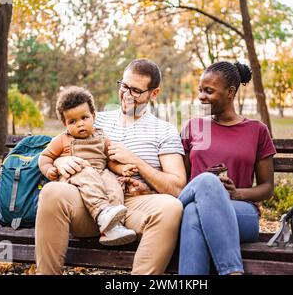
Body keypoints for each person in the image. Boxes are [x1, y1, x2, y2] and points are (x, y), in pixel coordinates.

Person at [35, 58, 187, 275]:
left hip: (135, 205)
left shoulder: (164, 131)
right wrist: (61, 160)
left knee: (171, 208)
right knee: (52, 191)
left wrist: (134, 160)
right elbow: (57, 148)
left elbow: (177, 188)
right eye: (124, 86)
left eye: (135, 90)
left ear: (154, 93)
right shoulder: (93, 119)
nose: (126, 94)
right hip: (91, 204)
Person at [178, 61, 276, 275]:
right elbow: (181, 180)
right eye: (200, 90)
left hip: (241, 212)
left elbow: (267, 188)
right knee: (199, 200)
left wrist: (236, 193)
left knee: (196, 207)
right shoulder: (193, 127)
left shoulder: (257, 130)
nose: (201, 96)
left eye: (208, 91)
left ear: (230, 92)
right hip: (192, 207)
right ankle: (232, 272)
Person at [38, 86, 137, 246]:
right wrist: (49, 169)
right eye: (73, 121)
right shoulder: (62, 139)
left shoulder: (101, 135)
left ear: (93, 116)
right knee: (84, 169)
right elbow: (44, 157)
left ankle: (112, 228)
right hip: (76, 175)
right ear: (65, 124)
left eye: (84, 118)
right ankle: (103, 212)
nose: (80, 124)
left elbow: (110, 160)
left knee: (114, 187)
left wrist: (121, 169)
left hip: (100, 173)